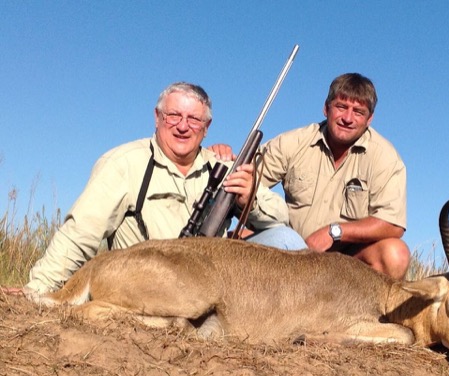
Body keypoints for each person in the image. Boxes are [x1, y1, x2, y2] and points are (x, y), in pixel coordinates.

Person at [4, 82, 305, 296]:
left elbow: (281, 220)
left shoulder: (224, 167)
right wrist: (38, 289)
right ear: (157, 117)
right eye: (174, 116)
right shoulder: (124, 163)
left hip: (211, 282)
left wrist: (249, 199)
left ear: (206, 128)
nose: (183, 126)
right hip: (147, 284)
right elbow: (81, 232)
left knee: (287, 240)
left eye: (194, 119)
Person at [259, 73, 410, 279]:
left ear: (369, 119)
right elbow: (248, 176)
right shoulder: (294, 142)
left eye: (358, 112)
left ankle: (354, 301)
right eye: (341, 107)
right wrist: (221, 155)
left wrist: (334, 232)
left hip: (344, 265)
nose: (347, 118)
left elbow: (392, 224)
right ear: (326, 108)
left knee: (395, 255)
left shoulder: (385, 157)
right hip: (290, 253)